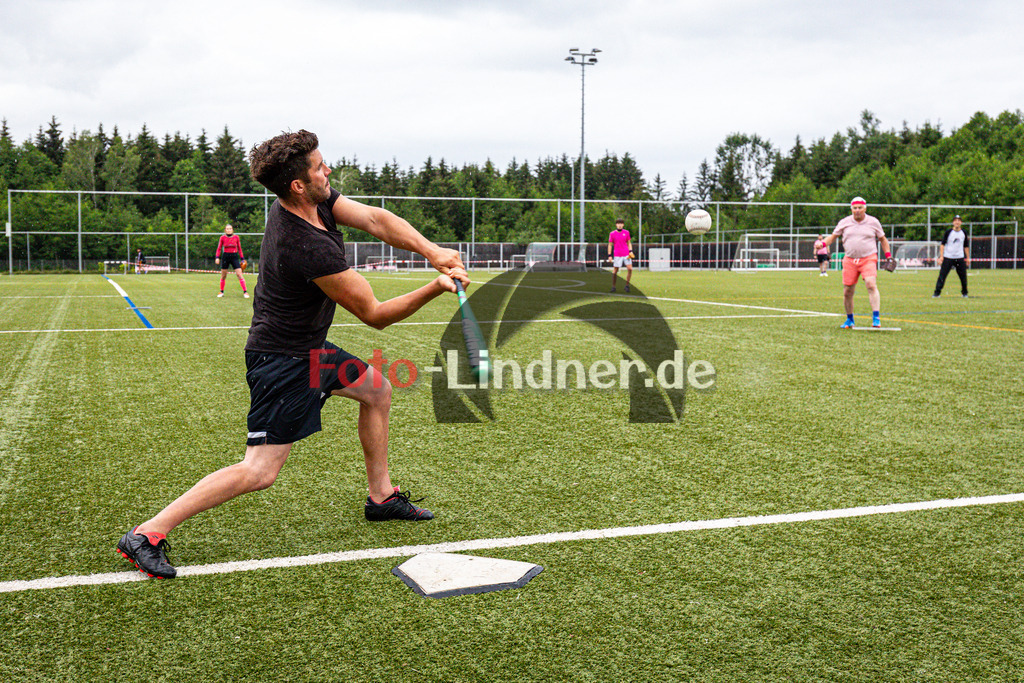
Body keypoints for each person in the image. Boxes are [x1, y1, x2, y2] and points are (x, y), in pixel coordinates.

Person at [117, 130, 468, 579]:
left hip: (310, 349)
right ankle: (148, 532)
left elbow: (377, 220)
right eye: (320, 167)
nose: (328, 171)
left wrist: (432, 250)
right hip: (283, 360)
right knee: (260, 470)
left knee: (377, 390)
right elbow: (376, 315)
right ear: (298, 185)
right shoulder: (306, 245)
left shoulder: (313, 201)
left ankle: (381, 497)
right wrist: (436, 285)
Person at [821, 197, 893, 329]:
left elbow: (883, 239)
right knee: (848, 291)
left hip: (868, 258)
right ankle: (850, 319)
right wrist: (823, 244)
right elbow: (833, 236)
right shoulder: (844, 222)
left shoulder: (873, 222)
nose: (857, 210)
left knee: (871, 284)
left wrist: (888, 256)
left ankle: (876, 318)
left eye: (860, 208)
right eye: (855, 208)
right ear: (851, 209)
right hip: (850, 260)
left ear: (865, 208)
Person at [933, 215, 970, 298]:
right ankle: (937, 293)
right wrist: (941, 256)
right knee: (942, 276)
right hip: (948, 257)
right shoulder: (948, 232)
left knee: (963, 277)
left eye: (959, 220)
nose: (957, 222)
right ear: (953, 222)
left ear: (961, 222)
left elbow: (966, 246)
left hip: (959, 257)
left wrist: (967, 258)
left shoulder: (963, 233)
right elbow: (942, 245)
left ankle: (965, 293)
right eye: (955, 220)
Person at [215, 224, 249, 298]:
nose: (229, 230)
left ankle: (245, 292)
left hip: (234, 256)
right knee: (223, 276)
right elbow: (219, 248)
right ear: (225, 230)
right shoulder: (222, 238)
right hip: (225, 256)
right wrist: (217, 257)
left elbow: (239, 249)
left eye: (230, 228)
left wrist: (242, 259)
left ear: (232, 230)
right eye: (227, 229)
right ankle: (221, 291)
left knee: (239, 274)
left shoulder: (236, 237)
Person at [607, 218, 634, 292]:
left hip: (626, 254)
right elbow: (610, 245)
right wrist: (609, 255)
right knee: (615, 271)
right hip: (617, 254)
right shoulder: (612, 233)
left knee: (630, 269)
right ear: (616, 225)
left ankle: (627, 285)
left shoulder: (626, 232)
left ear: (623, 224)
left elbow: (629, 243)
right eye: (618, 223)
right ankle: (613, 286)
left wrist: (630, 251)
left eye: (621, 223)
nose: (619, 225)